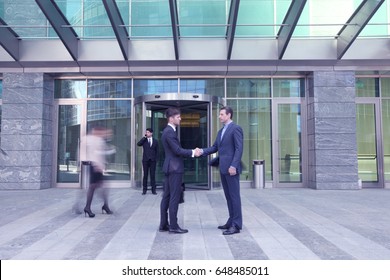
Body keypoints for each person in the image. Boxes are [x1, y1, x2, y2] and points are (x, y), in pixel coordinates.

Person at [199, 106, 244, 235]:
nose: (219, 116)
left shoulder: (236, 129)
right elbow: (214, 148)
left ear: (229, 115)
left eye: (222, 114)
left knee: (234, 197)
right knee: (228, 197)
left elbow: (239, 149)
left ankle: (236, 225)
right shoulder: (221, 131)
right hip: (224, 168)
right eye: (219, 114)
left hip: (231, 169)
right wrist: (202, 151)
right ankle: (231, 220)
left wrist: (234, 165)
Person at [159, 107, 201, 234]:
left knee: (166, 196)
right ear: (171, 118)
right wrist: (193, 152)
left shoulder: (168, 131)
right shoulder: (169, 132)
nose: (180, 119)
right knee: (174, 197)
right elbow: (177, 150)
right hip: (174, 168)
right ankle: (173, 226)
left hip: (170, 167)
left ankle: (164, 224)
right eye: (178, 117)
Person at [83, 126, 116, 218]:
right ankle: (88, 207)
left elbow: (103, 152)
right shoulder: (93, 140)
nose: (107, 134)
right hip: (95, 166)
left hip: (99, 166)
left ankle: (104, 206)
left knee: (102, 186)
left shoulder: (100, 140)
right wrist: (97, 165)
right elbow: (93, 154)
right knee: (93, 187)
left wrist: (110, 150)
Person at [137, 128, 159, 195]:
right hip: (145, 160)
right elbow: (138, 144)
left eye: (148, 132)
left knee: (152, 175)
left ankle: (153, 190)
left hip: (152, 160)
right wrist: (144, 137)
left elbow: (157, 151)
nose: (147, 133)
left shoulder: (155, 141)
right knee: (145, 175)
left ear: (151, 133)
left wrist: (156, 160)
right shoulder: (144, 140)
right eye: (146, 132)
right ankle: (144, 190)